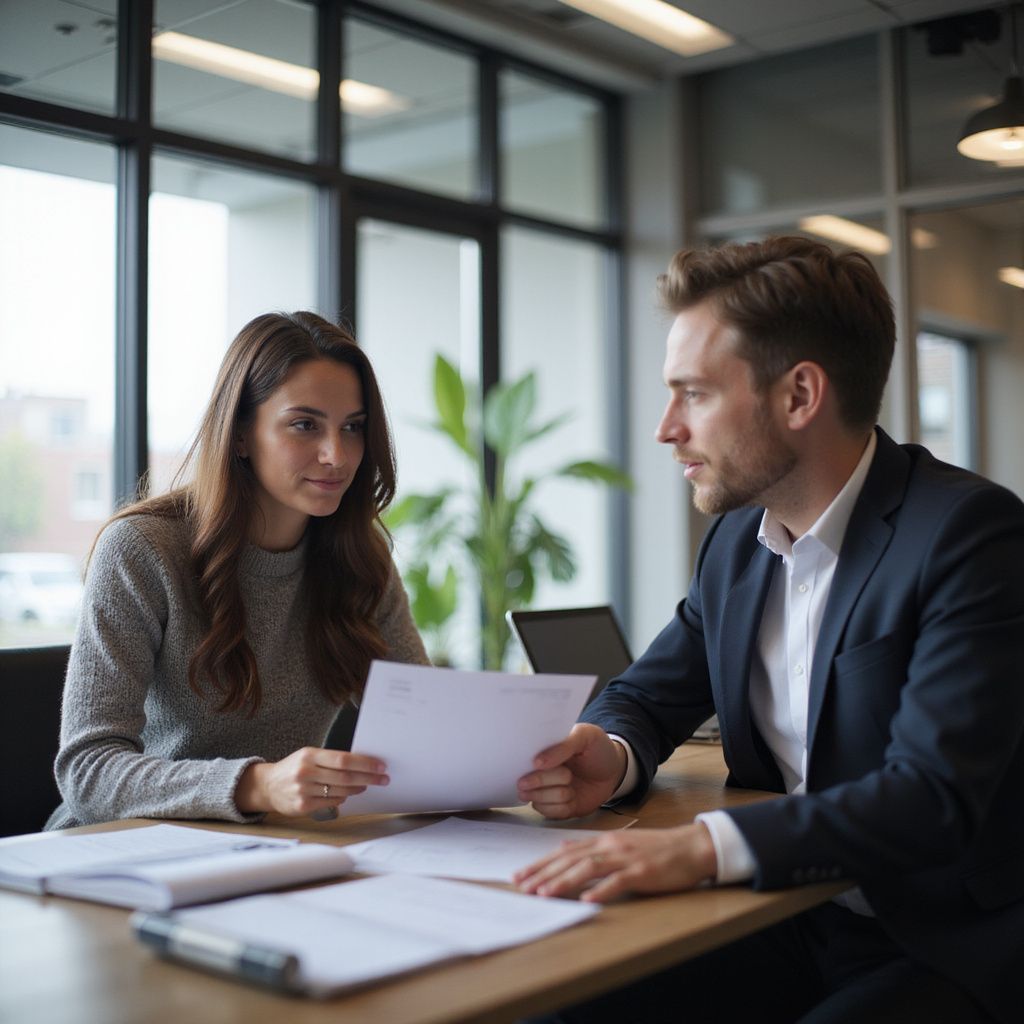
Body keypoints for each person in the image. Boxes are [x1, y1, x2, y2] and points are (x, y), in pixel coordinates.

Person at [515, 237, 1024, 1024]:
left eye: (694, 394)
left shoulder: (968, 534)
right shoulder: (735, 546)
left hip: (945, 942)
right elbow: (646, 697)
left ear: (799, 396)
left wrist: (701, 845)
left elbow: (928, 797)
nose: (665, 429)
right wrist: (610, 757)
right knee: (558, 1005)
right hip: (787, 913)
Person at [48, 311, 428, 829]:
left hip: (277, 852)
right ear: (242, 434)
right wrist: (259, 784)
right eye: (304, 425)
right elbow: (87, 774)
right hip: (121, 853)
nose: (336, 455)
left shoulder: (360, 560)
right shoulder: (143, 549)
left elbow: (426, 730)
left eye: (353, 428)